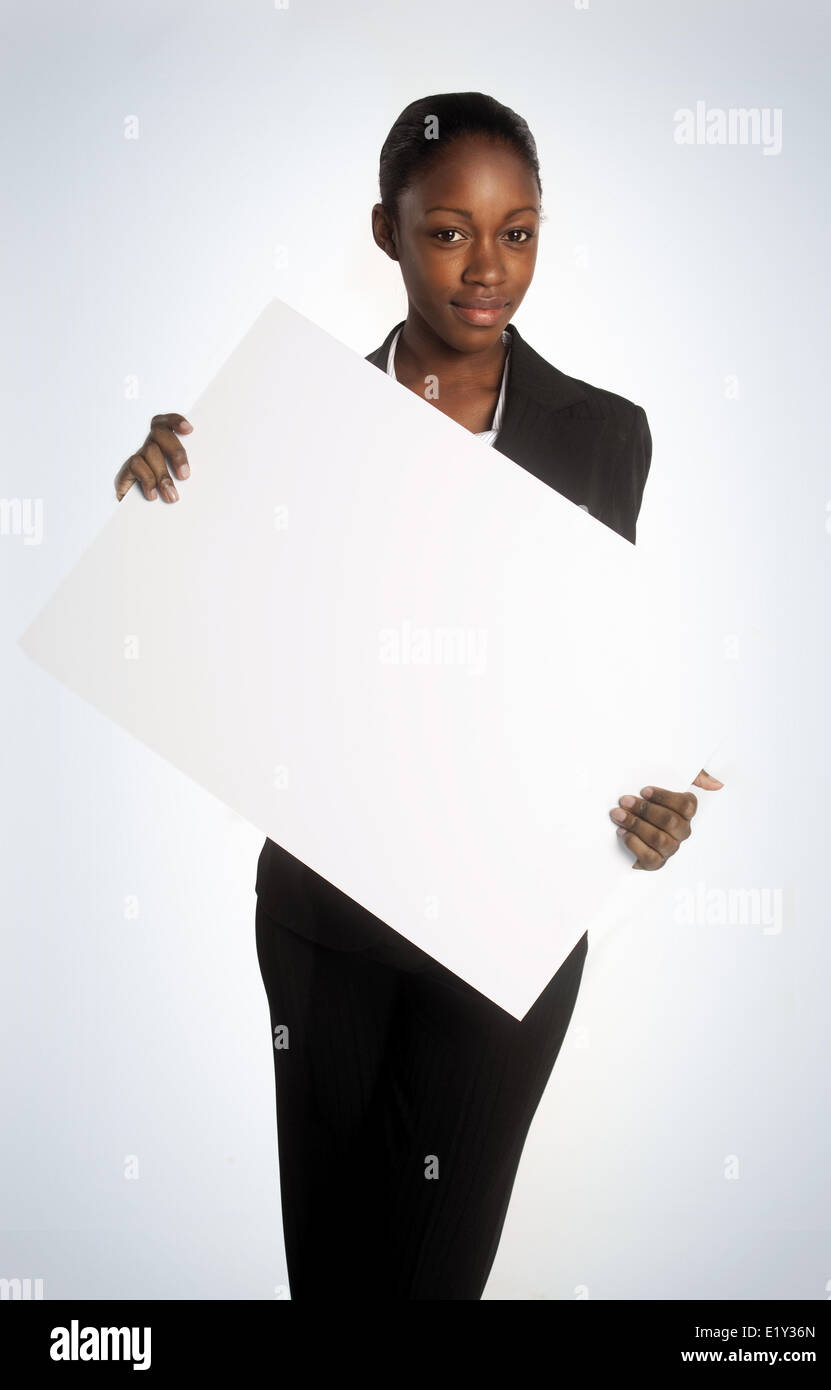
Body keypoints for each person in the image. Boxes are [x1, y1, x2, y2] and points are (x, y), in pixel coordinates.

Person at [113, 92, 724, 1299]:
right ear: (387, 232)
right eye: (448, 231)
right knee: (331, 1281)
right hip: (324, 921)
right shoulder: (270, 424)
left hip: (507, 930)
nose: (486, 268)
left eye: (518, 231)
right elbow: (211, 638)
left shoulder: (607, 434)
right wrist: (157, 495)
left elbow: (601, 674)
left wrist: (656, 804)